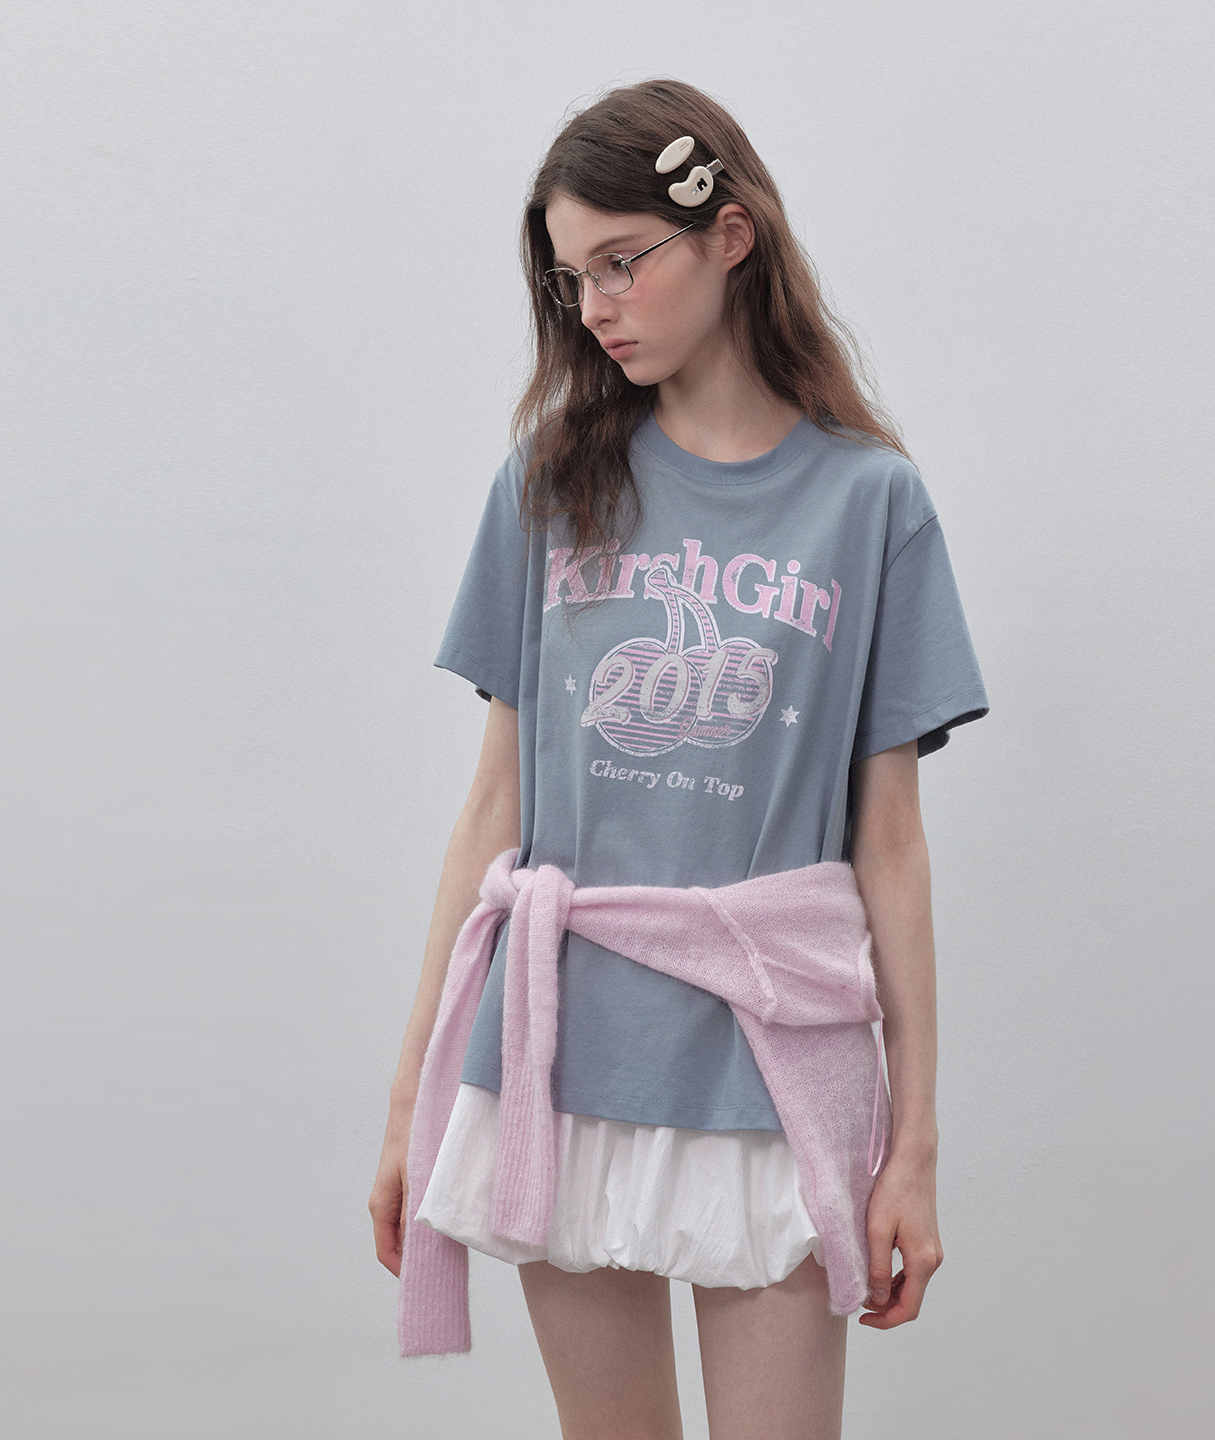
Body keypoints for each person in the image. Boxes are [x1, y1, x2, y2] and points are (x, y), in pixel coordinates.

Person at [369, 77, 989, 1438]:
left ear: (730, 236)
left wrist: (915, 1148)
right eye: (570, 276)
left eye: (621, 261)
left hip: (770, 1071)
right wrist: (415, 1096)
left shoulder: (869, 502)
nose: (595, 305)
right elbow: (494, 804)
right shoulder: (551, 484)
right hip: (556, 1058)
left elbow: (890, 844)